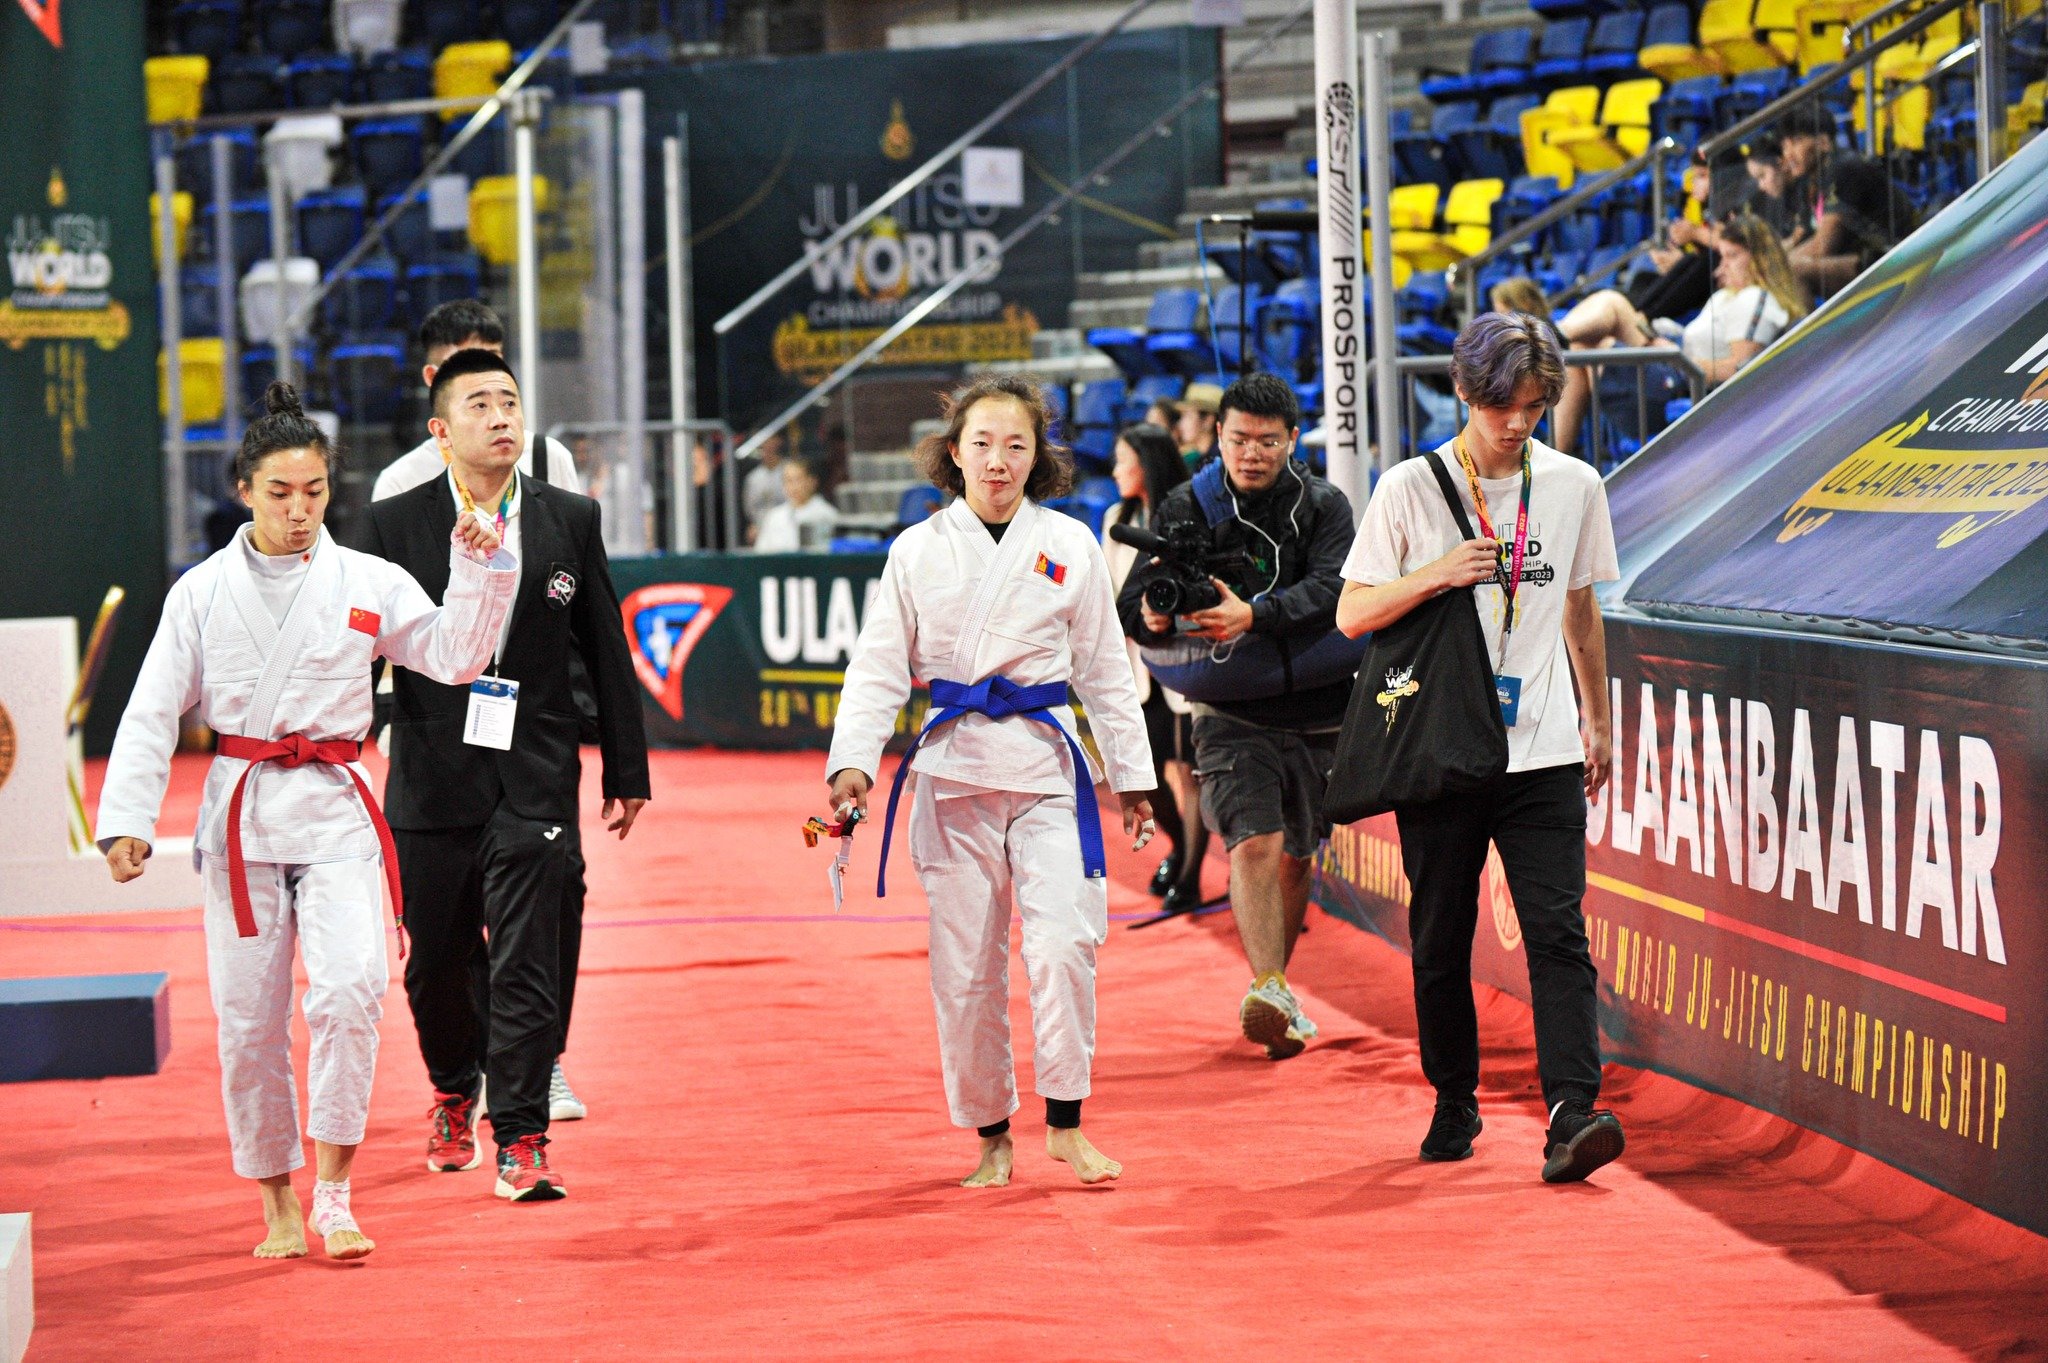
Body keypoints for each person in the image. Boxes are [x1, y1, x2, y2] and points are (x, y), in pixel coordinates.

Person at [97, 383, 516, 1259]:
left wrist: (480, 568)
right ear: (243, 489)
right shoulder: (201, 592)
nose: (299, 510)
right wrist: (127, 816)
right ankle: (276, 1199)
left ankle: (334, 1191)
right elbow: (151, 708)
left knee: (354, 989)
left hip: (335, 811)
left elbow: (453, 655)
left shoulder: (366, 579)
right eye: (280, 493)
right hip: (244, 816)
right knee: (250, 1023)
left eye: (315, 492)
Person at [824, 374, 1156, 1189]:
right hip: (954, 774)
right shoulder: (917, 549)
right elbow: (877, 665)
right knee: (966, 966)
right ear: (955, 453)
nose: (998, 461)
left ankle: (1066, 1123)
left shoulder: (1070, 542)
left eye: (1016, 445)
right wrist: (853, 760)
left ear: (1038, 456)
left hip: (1046, 766)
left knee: (1065, 942)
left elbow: (1105, 671)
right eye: (982, 444)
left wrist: (1133, 775)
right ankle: (992, 1135)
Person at [352, 349, 650, 1203]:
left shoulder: (570, 516)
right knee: (436, 963)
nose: (500, 417)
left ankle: (522, 1136)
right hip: (431, 770)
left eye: (510, 401)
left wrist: (625, 765)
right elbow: (359, 650)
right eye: (479, 404)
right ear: (442, 431)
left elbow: (605, 643)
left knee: (528, 958)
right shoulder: (391, 524)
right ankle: (454, 1090)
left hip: (536, 769)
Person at [1335, 311, 1625, 1184]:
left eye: (1535, 407)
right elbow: (1351, 613)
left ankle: (1572, 1110)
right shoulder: (1408, 488)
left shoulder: (1573, 484)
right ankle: (1454, 1097)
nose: (1517, 423)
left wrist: (1599, 718)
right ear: (1463, 390)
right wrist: (1437, 573)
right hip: (1441, 750)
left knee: (1558, 932)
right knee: (1439, 936)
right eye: (1503, 405)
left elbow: (1580, 608)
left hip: (1544, 751)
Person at [369, 298, 594, 1126]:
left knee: (554, 894)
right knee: (448, 927)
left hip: (533, 728)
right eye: (474, 380)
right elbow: (388, 625)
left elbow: (575, 587)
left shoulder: (552, 462)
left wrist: (581, 719)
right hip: (436, 726)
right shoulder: (400, 487)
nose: (497, 402)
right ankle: (466, 1072)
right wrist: (385, 721)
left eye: (503, 376)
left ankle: (538, 1061)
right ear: (437, 388)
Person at [1118, 372, 1357, 1060]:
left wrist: (1254, 614)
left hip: (1318, 706)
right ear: (1217, 435)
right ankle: (1271, 987)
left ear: (1293, 440)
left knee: (1297, 856)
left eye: (1268, 441)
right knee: (1253, 843)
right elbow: (1131, 599)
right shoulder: (1184, 504)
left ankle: (1276, 990)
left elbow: (1336, 589)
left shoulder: (1326, 505)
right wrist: (1152, 612)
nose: (1252, 453)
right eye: (1240, 439)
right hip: (1226, 708)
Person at [1551, 213, 1809, 452]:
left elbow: (1740, 371)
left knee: (1610, 307)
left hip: (1682, 387)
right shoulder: (1728, 296)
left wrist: (1683, 360)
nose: (1722, 267)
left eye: (1732, 256)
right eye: (1722, 256)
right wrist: (1667, 335)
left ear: (1760, 258)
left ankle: (1550, 335)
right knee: (1582, 345)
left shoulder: (1758, 298)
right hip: (1672, 370)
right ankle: (1549, 461)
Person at [1102, 422, 1209, 912]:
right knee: (1143, 777)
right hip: (1137, 668)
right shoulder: (1116, 520)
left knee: (1189, 774)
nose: (1115, 470)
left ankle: (1188, 880)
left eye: (1123, 460)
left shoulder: (1186, 516)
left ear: (1146, 464)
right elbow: (1109, 594)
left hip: (1185, 666)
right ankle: (1182, 849)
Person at [371, 299, 582, 501]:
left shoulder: (547, 458)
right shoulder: (400, 482)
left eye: (492, 359)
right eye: (466, 363)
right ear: (432, 377)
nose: (484, 373)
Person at [753, 455, 839, 552]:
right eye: (788, 480)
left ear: (812, 481)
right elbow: (761, 551)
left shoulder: (826, 514)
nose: (793, 486)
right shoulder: (774, 516)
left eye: (798, 480)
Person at [740, 427, 786, 546]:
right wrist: (753, 525)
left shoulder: (788, 471)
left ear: (779, 441)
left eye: (770, 438)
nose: (766, 443)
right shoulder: (753, 477)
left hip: (786, 527)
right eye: (762, 440)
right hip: (760, 530)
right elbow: (749, 509)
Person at [1175, 381, 1222, 468]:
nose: (1180, 424)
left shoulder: (1219, 462)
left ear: (1208, 421)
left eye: (1188, 416)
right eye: (1182, 417)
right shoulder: (1199, 458)